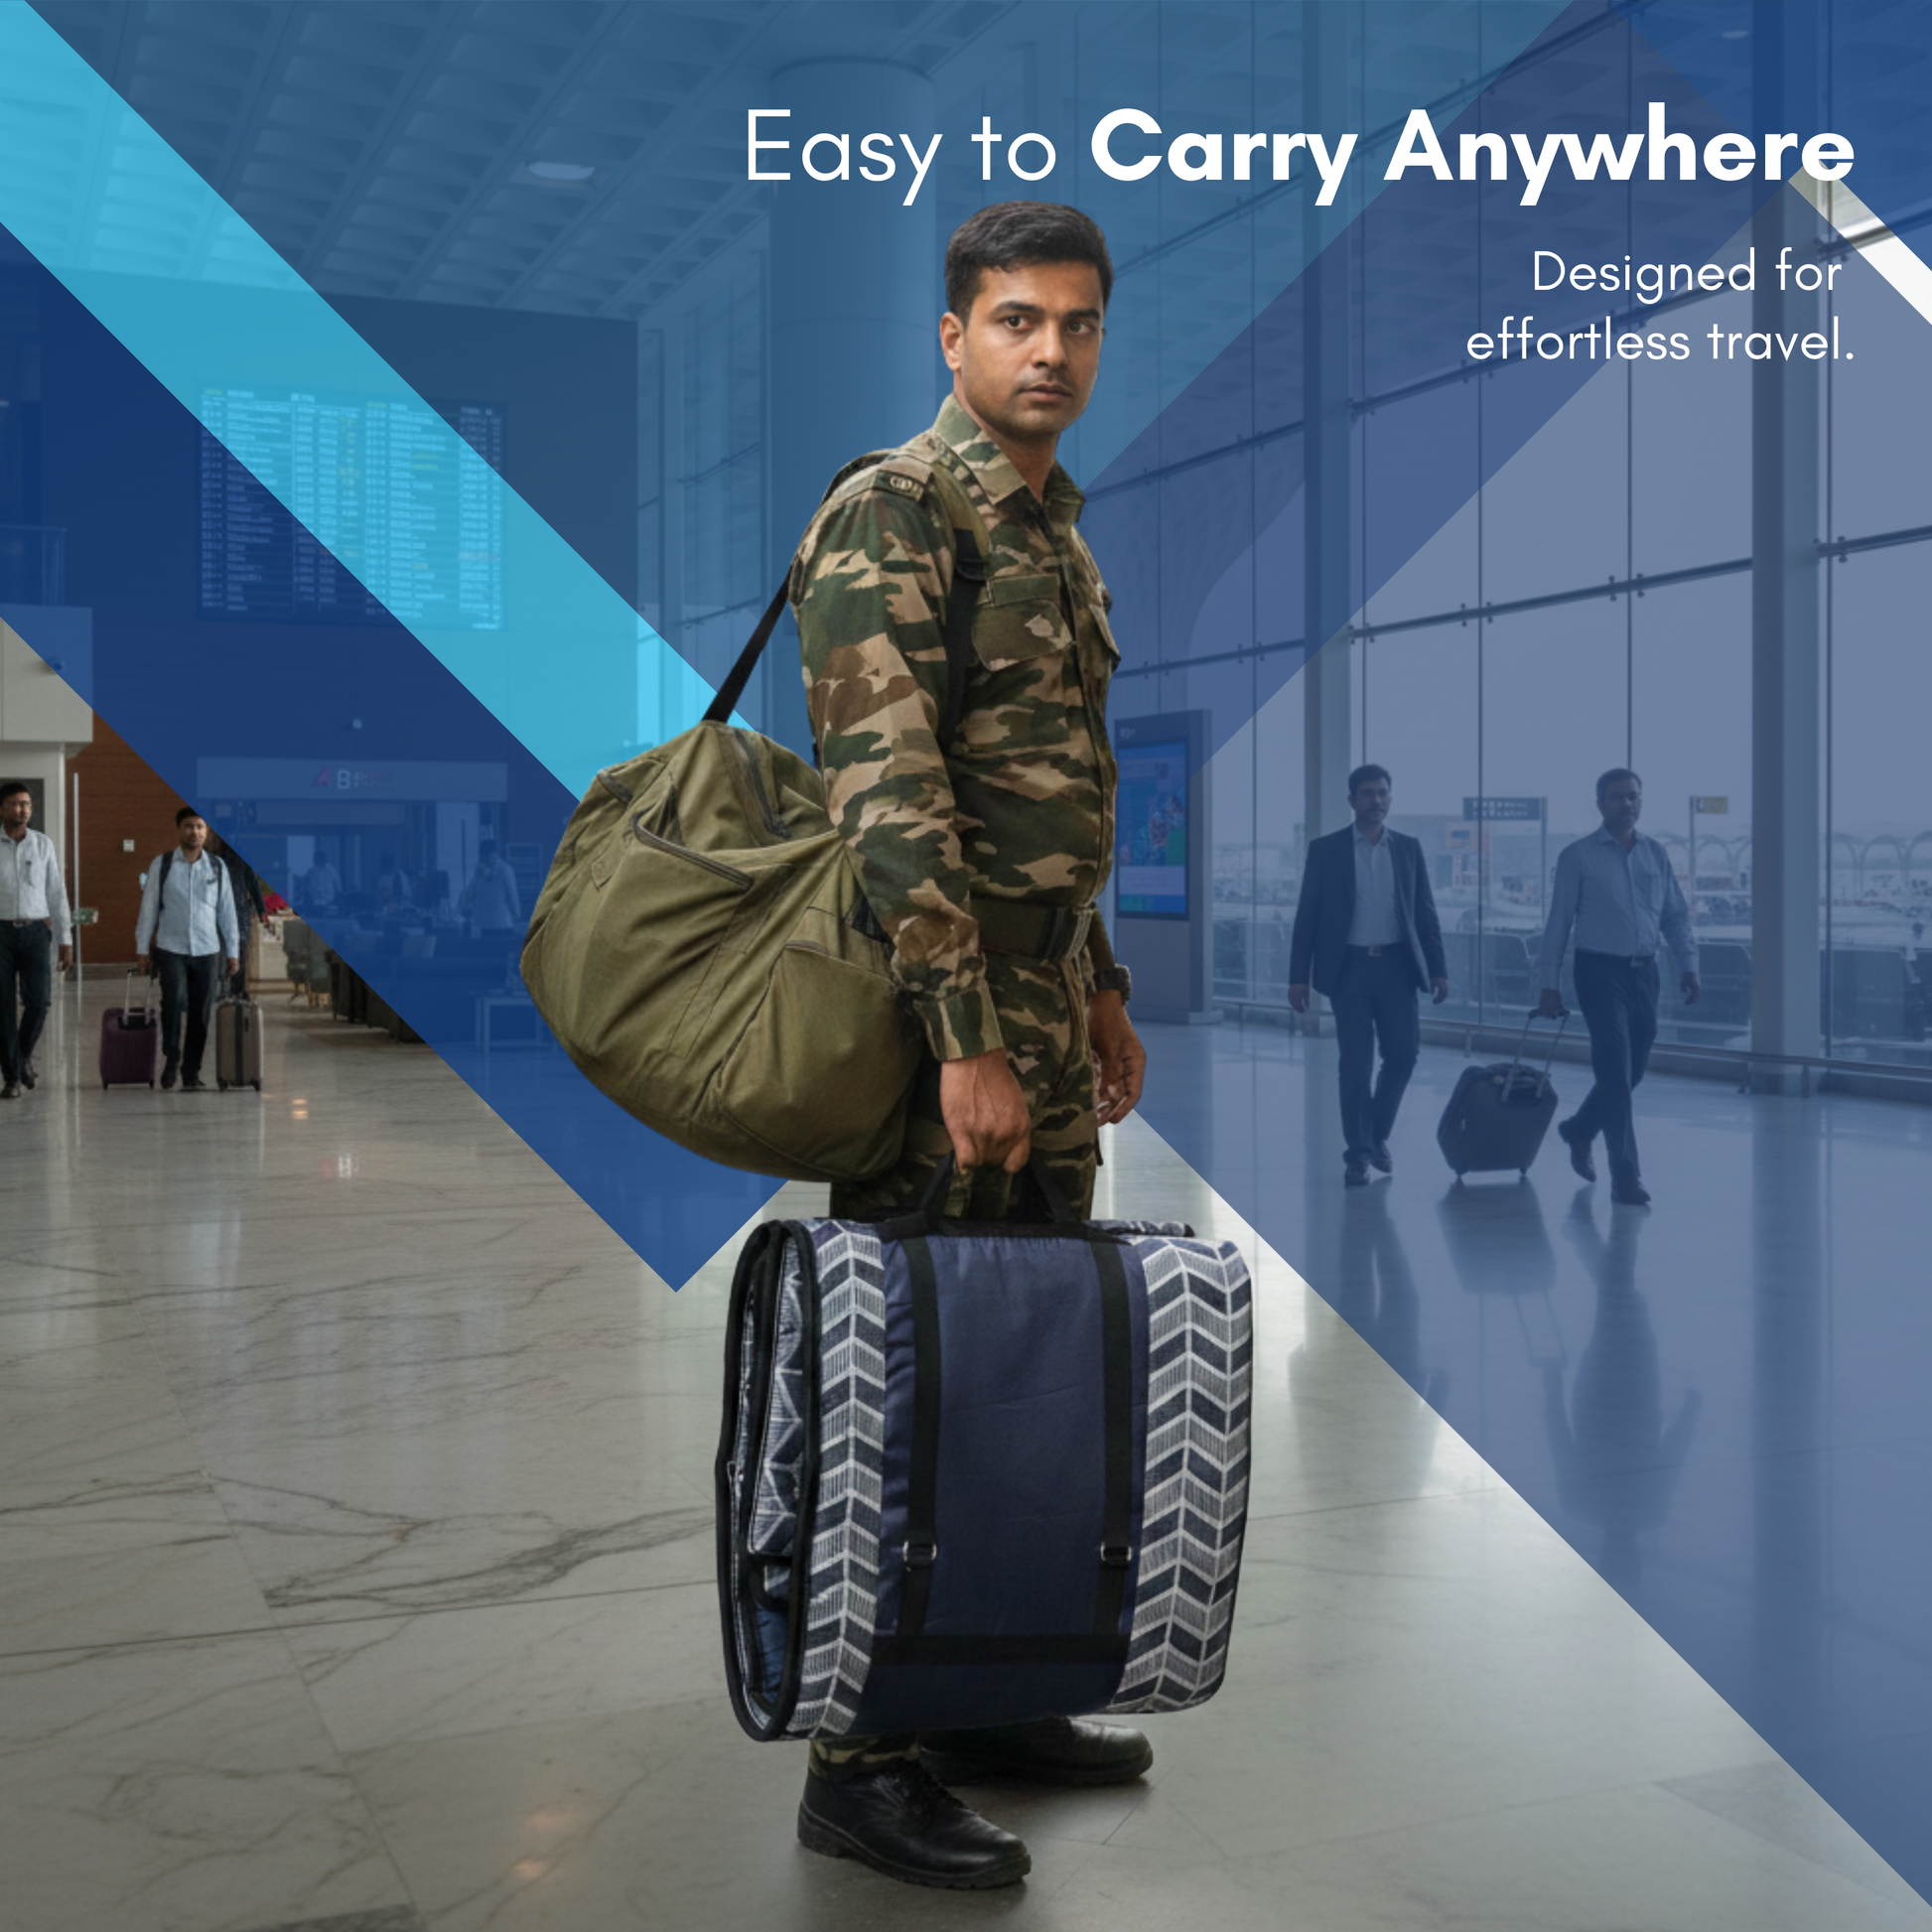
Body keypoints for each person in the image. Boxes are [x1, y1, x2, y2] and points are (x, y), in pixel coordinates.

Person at [785, 201, 1147, 1890]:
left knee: (1028, 1385)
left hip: (1045, 1014)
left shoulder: (1055, 535)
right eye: (1016, 321)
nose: (1050, 352)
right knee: (916, 1380)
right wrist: (961, 1036)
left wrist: (1100, 984)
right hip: (953, 1027)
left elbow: (1059, 793)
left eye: (1075, 323)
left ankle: (989, 1688)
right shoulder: (896, 511)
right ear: (954, 337)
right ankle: (862, 1757)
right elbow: (889, 792)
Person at [1537, 767, 1701, 1206]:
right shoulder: (1578, 856)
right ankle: (1625, 1174)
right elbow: (1558, 922)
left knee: (1633, 1070)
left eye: (1633, 797)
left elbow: (1675, 916)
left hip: (1645, 973)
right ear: (1600, 805)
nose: (1626, 804)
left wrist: (1688, 964)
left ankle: (1579, 1128)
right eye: (1617, 797)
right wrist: (1547, 983)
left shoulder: (1655, 854)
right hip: (1598, 973)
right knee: (1613, 1067)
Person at [1287, 764, 1449, 1184]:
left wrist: (1438, 969)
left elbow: (1425, 914)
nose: (1376, 800)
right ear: (1352, 801)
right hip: (1350, 971)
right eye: (1367, 793)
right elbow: (1308, 916)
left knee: (1403, 1054)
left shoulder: (1408, 849)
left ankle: (1375, 1136)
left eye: (1382, 793)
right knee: (1356, 1063)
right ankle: (1359, 1152)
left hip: (1398, 967)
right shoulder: (1327, 850)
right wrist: (1297, 976)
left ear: (1390, 799)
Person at [135, 808, 240, 1092]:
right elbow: (148, 908)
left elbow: (227, 913)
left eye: (200, 827)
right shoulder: (164, 864)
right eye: (188, 826)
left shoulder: (217, 867)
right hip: (171, 947)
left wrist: (233, 951)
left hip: (207, 949)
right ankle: (172, 1057)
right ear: (179, 830)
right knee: (172, 1004)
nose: (194, 832)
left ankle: (191, 1072)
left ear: (206, 832)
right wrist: (142, 947)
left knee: (200, 1012)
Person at [0, 780, 72, 1098]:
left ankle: (21, 1056)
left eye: (27, 804)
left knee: (40, 1001)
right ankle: (12, 1077)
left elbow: (57, 894)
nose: (23, 810)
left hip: (34, 934)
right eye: (16, 804)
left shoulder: (43, 845)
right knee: (2, 1008)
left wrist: (64, 939)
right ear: (2, 809)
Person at [209, 832, 267, 995]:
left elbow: (253, 883)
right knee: (221, 952)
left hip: (238, 912)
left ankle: (237, 990)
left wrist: (261, 909)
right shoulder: (213, 855)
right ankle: (224, 990)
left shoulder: (241, 855)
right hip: (219, 912)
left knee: (238, 953)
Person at [461, 840, 520, 933]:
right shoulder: (479, 871)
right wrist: (463, 907)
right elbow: (470, 891)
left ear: (496, 854)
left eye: (492, 856)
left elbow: (512, 895)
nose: (490, 859)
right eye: (486, 857)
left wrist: (517, 916)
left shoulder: (505, 870)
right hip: (484, 925)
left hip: (502, 924)